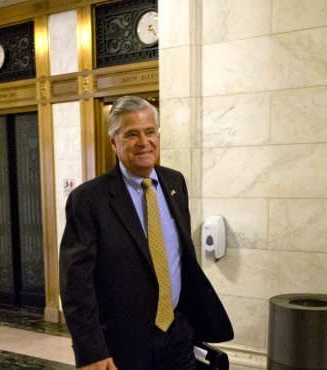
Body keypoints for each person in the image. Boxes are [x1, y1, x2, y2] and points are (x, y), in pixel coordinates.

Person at [59, 96, 233, 369]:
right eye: (132, 134)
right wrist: (91, 350)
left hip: (177, 334)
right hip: (123, 345)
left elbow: (180, 257)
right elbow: (76, 285)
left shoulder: (175, 182)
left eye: (150, 132)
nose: (144, 142)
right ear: (114, 143)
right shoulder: (88, 200)